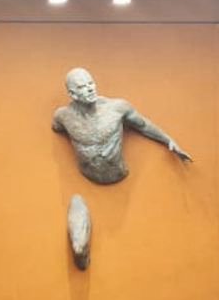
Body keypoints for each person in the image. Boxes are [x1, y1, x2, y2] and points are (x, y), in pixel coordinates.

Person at [52, 68, 192, 268]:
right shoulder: (63, 117)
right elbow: (56, 128)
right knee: (79, 243)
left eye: (91, 83)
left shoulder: (117, 108)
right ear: (72, 94)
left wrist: (169, 141)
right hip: (87, 176)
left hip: (117, 173)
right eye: (82, 87)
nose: (90, 89)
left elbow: (143, 125)